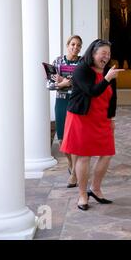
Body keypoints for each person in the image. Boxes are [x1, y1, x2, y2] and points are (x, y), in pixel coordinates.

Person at [60, 39, 123, 211]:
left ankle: (95, 188)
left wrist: (112, 119)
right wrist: (108, 78)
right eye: (103, 53)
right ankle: (82, 195)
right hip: (82, 118)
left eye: (108, 54)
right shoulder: (82, 69)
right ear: (93, 53)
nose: (106, 57)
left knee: (108, 153)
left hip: (101, 118)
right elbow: (92, 91)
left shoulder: (108, 71)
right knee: (84, 156)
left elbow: (113, 98)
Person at [47, 35, 82, 188]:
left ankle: (74, 173)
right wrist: (63, 84)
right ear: (67, 45)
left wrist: (69, 82)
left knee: (73, 139)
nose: (75, 47)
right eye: (73, 44)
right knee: (62, 140)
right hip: (61, 102)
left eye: (78, 45)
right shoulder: (58, 62)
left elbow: (83, 84)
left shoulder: (82, 63)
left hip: (76, 103)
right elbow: (49, 84)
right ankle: (70, 163)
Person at [110, 0, 131, 70]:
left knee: (130, 51)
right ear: (120, 4)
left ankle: (130, 65)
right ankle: (121, 65)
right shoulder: (116, 13)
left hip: (129, 36)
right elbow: (113, 25)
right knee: (120, 51)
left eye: (124, 2)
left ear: (126, 4)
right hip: (119, 36)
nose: (123, 4)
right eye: (122, 2)